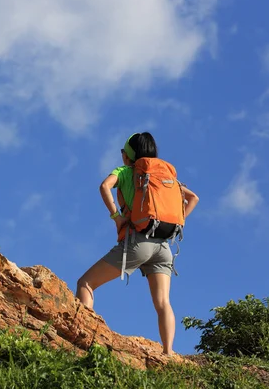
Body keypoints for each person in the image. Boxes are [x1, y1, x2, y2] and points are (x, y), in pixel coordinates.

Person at [76, 132, 199, 355]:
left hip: (137, 242)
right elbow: (193, 198)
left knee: (85, 283)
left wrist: (117, 217)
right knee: (163, 302)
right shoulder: (162, 176)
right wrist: (174, 220)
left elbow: (104, 186)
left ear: (127, 156)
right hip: (163, 247)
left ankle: (81, 337)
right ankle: (168, 353)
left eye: (123, 152)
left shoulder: (124, 172)